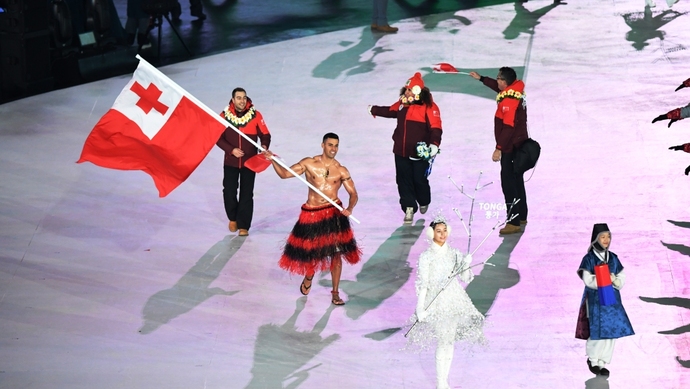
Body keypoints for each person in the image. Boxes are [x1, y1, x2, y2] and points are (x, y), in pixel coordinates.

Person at [263, 133, 361, 305]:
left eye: (336, 145)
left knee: (336, 254)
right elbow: (285, 174)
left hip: (334, 214)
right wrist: (272, 160)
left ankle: (335, 293)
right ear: (322, 145)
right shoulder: (309, 163)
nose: (333, 149)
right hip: (313, 213)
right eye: (330, 145)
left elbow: (353, 194)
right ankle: (309, 275)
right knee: (313, 252)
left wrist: (350, 208)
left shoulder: (341, 170)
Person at [406, 215, 485, 389]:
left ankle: (445, 380)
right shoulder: (426, 257)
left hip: (455, 300)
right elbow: (423, 284)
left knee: (449, 341)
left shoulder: (455, 253)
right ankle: (440, 382)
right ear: (431, 233)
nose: (442, 234)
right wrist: (420, 307)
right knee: (443, 341)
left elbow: (465, 278)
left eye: (444, 231)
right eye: (438, 231)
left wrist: (466, 264)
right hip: (437, 303)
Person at [369, 72, 443, 224]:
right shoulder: (403, 104)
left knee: (419, 180)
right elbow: (390, 111)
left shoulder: (429, 106)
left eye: (410, 89)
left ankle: (424, 200)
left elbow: (436, 127)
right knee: (403, 180)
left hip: (420, 153)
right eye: (406, 89)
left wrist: (434, 145)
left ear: (418, 90)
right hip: (400, 151)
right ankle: (409, 208)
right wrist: (374, 109)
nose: (407, 92)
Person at [469, 67, 528, 235]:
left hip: (510, 148)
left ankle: (513, 222)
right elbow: (499, 89)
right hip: (519, 144)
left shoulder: (509, 101)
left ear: (504, 81)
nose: (497, 81)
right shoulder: (515, 90)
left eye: (498, 79)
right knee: (517, 182)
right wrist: (481, 78)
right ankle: (521, 216)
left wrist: (499, 148)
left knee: (508, 184)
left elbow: (508, 128)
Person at [575, 223, 634, 378]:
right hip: (595, 300)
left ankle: (602, 361)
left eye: (608, 236)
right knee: (597, 329)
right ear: (596, 239)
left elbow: (622, 277)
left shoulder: (613, 257)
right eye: (602, 237)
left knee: (611, 331)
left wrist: (615, 279)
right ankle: (593, 359)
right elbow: (588, 280)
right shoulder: (588, 259)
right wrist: (603, 279)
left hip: (612, 300)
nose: (606, 240)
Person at [216, 88, 271, 236]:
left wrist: (264, 146)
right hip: (231, 162)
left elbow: (265, 134)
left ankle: (244, 226)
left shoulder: (256, 115)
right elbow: (217, 138)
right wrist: (231, 150)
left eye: (244, 98)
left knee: (247, 193)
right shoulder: (224, 116)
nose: (242, 101)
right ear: (233, 100)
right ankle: (233, 218)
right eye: (238, 98)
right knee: (229, 191)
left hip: (250, 162)